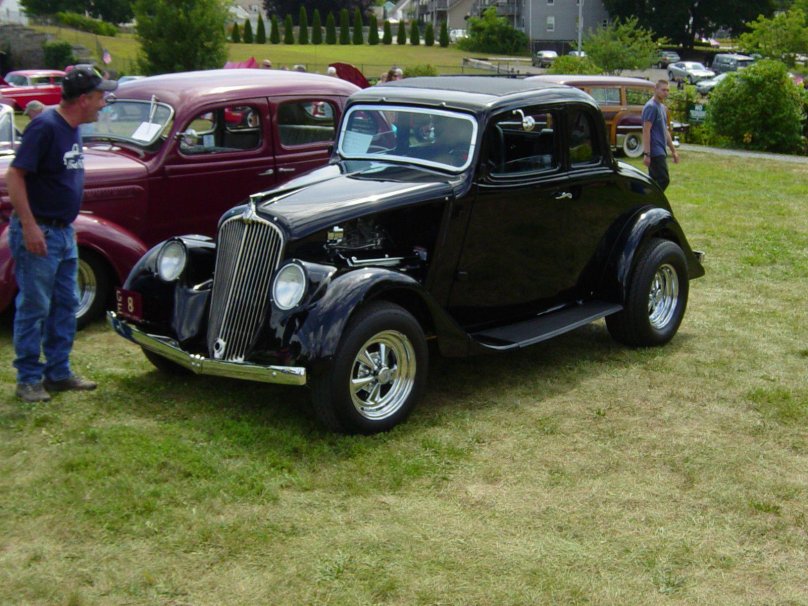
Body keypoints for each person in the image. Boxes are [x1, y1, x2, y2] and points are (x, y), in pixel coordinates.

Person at [5, 65, 117, 402]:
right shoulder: (45, 127)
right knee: (34, 306)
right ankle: (28, 379)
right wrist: (29, 226)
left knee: (66, 304)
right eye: (100, 97)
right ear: (83, 99)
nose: (103, 103)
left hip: (63, 232)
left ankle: (58, 372)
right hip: (40, 231)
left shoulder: (73, 128)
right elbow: (15, 175)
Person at [642, 79, 679, 191]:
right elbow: (646, 130)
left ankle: (646, 200)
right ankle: (650, 200)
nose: (666, 93)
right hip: (654, 151)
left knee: (653, 180)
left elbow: (665, 131)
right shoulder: (651, 107)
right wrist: (647, 154)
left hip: (661, 150)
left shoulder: (662, 108)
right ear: (656, 89)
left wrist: (673, 151)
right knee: (663, 179)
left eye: (667, 90)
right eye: (663, 90)